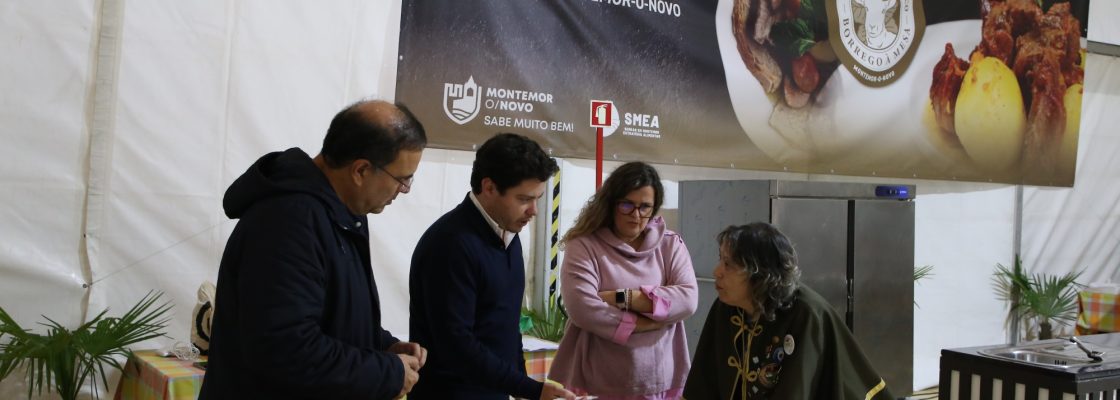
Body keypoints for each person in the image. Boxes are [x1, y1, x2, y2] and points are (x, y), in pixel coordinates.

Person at [200, 100, 429, 400]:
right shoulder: (288, 220)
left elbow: (331, 315)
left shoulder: (343, 211)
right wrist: (387, 372)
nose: (405, 190)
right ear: (360, 170)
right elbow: (285, 349)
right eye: (403, 179)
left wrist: (381, 345)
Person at [408, 133, 577, 400]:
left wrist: (520, 385)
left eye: (538, 198)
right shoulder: (451, 244)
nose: (533, 210)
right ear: (489, 188)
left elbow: (508, 326)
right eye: (524, 199)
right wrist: (529, 389)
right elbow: (456, 345)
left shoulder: (509, 234)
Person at [683, 223, 894, 399]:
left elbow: (797, 390)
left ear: (761, 274)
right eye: (720, 259)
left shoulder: (805, 313)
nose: (716, 271)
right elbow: (704, 380)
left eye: (728, 264)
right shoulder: (726, 306)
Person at [548, 161, 699, 399]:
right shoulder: (585, 245)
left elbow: (688, 300)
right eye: (627, 205)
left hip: (658, 378)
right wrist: (645, 323)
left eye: (645, 207)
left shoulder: (670, 244)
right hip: (598, 379)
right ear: (611, 203)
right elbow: (582, 308)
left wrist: (625, 298)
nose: (636, 215)